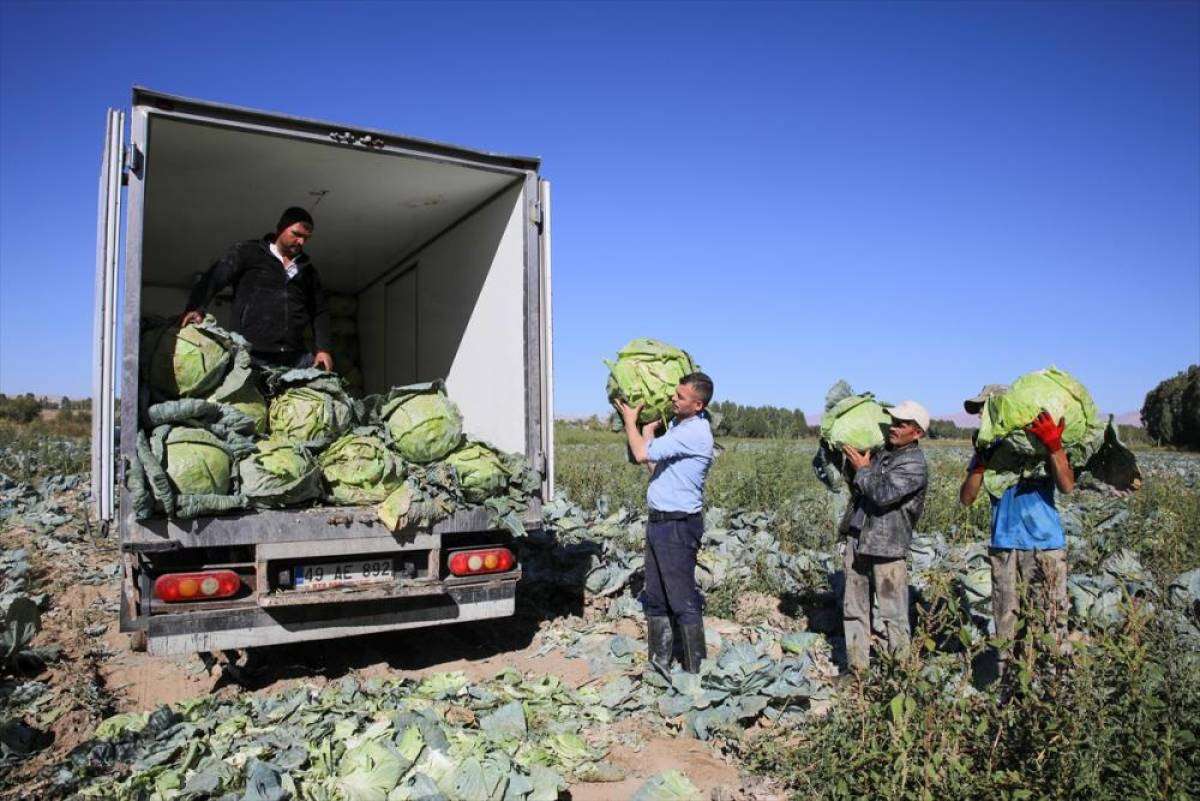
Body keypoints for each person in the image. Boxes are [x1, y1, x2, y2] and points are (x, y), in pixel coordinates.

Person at [959, 387, 1074, 669]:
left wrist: (1054, 447)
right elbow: (967, 498)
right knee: (1006, 622)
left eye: (984, 409)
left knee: (1049, 620)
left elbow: (1067, 485)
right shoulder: (987, 447)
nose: (981, 417)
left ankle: (1055, 689)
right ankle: (1011, 690)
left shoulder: (1036, 445)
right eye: (978, 413)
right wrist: (981, 463)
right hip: (1004, 544)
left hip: (1043, 545)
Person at [614, 372, 715, 674]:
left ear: (698, 405)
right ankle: (660, 664)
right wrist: (647, 430)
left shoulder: (695, 432)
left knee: (681, 598)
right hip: (661, 523)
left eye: (680, 396)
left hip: (678, 526)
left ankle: (697, 671)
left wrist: (630, 421)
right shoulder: (679, 427)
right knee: (656, 597)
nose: (673, 398)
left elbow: (640, 453)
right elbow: (653, 465)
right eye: (675, 392)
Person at [181, 206, 333, 371]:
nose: (301, 242)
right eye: (296, 234)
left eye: (306, 238)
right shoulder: (249, 252)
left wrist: (323, 349)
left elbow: (320, 311)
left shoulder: (307, 270)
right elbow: (214, 277)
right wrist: (196, 307)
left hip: (293, 357)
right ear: (280, 227)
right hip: (250, 353)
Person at [839, 400, 930, 672]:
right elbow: (857, 485)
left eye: (902, 424)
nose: (894, 428)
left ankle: (901, 675)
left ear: (917, 433)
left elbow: (882, 494)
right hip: (858, 537)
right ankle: (857, 673)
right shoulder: (881, 453)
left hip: (887, 546)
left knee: (894, 614)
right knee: (854, 610)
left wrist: (863, 470)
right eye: (894, 422)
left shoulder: (914, 464)